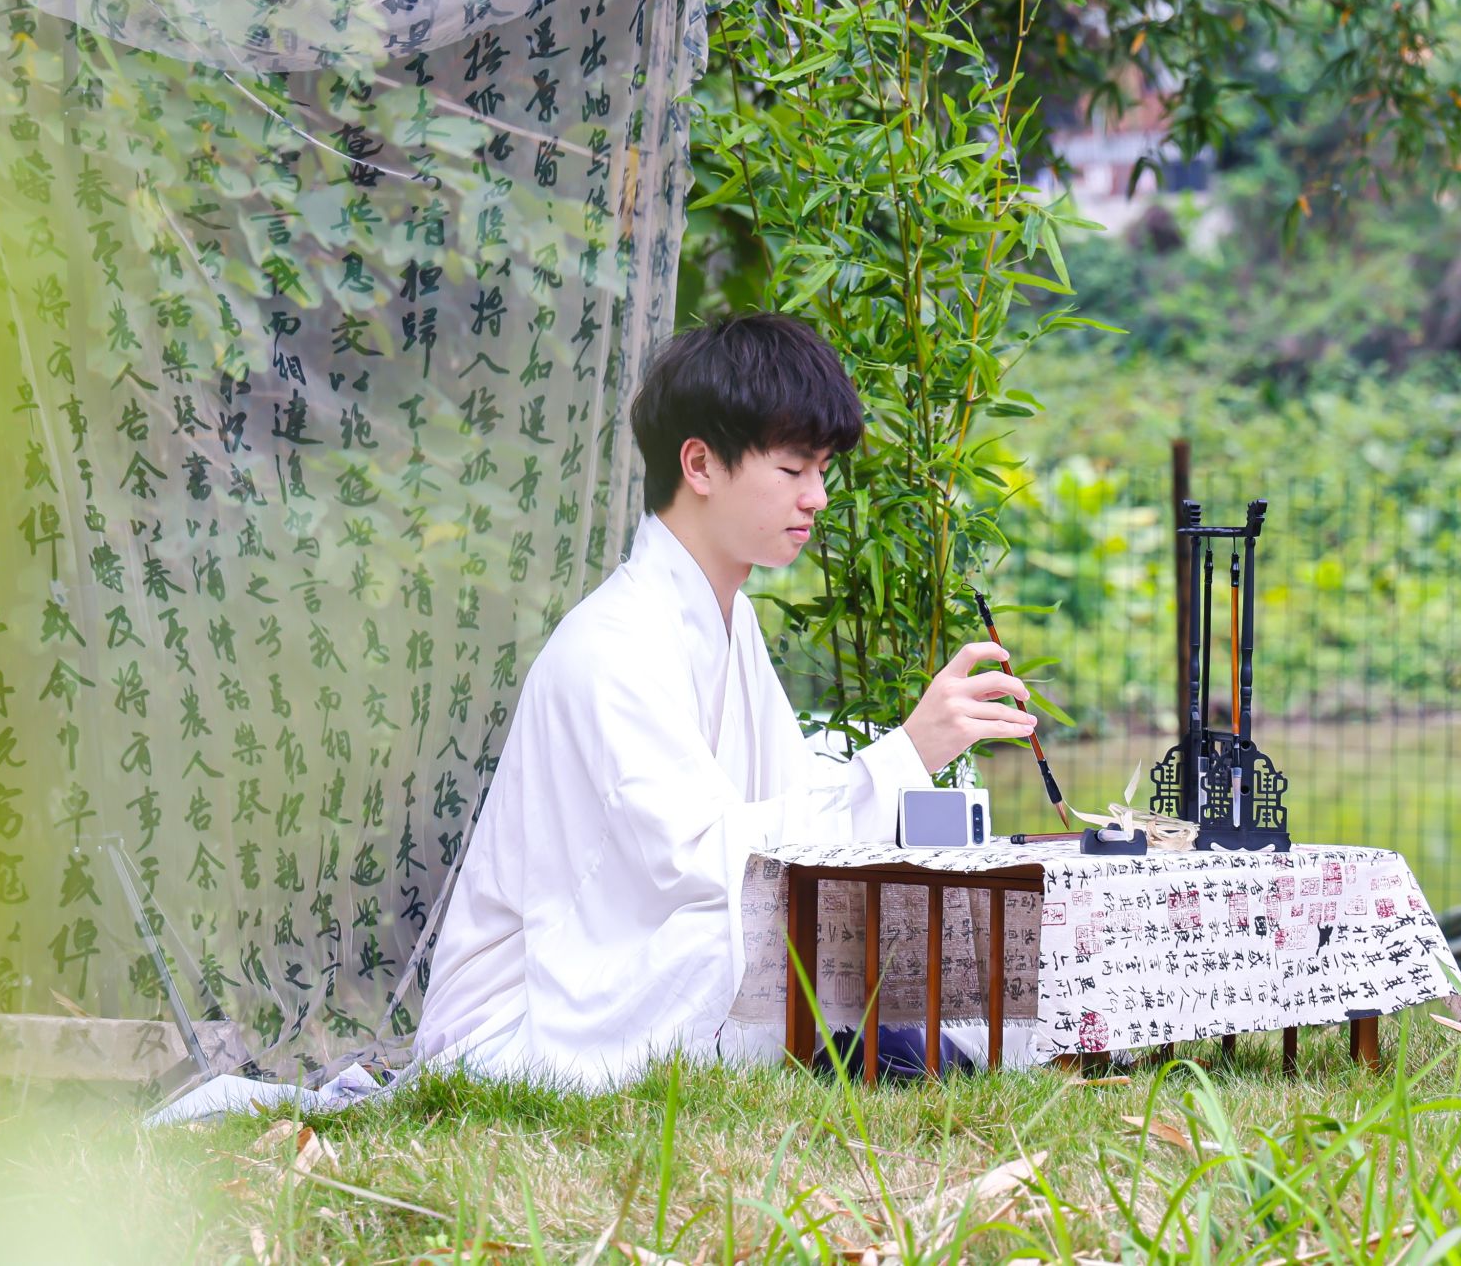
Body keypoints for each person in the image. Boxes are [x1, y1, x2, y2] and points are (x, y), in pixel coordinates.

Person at [412, 313, 1036, 1089]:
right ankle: (896, 1050)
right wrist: (904, 755)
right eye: (793, 469)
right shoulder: (612, 645)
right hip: (522, 1018)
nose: (817, 498)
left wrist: (910, 767)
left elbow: (789, 806)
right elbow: (707, 864)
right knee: (756, 931)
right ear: (701, 464)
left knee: (861, 898)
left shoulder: (729, 624)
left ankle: (914, 1047)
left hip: (634, 963)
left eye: (823, 470)